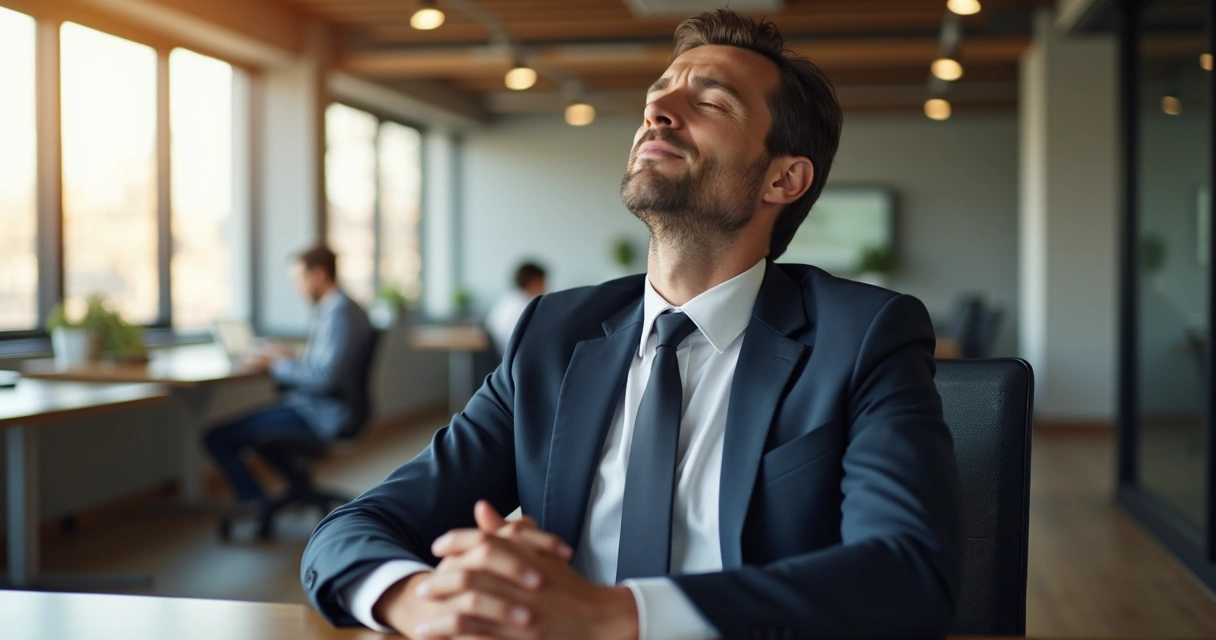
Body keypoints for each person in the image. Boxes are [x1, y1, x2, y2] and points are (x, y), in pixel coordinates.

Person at [301, 10, 962, 640]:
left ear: (784, 179)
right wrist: (418, 599)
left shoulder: (865, 335)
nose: (657, 112)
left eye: (710, 103)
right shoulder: (554, 336)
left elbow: (906, 572)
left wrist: (617, 616)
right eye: (657, 95)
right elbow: (356, 526)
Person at [204, 245, 373, 509]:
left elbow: (326, 377)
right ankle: (300, 489)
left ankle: (256, 505)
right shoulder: (339, 309)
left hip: (321, 414)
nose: (296, 288)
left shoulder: (340, 313)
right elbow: (328, 362)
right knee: (258, 433)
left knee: (216, 436)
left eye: (298, 279)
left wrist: (277, 364)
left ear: (318, 275)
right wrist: (290, 355)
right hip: (324, 408)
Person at [485, 262, 547, 355]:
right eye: (543, 282)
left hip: (503, 356)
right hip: (515, 356)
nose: (546, 287)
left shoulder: (507, 300)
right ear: (534, 282)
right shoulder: (527, 305)